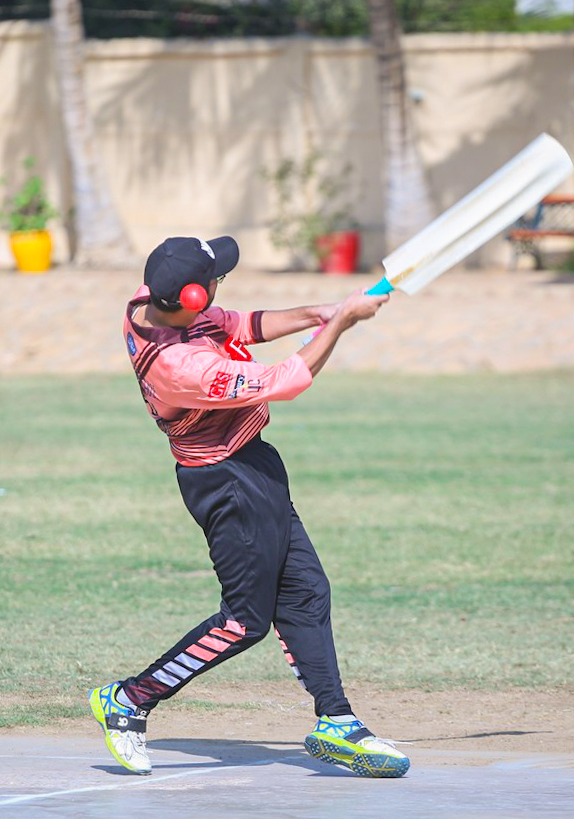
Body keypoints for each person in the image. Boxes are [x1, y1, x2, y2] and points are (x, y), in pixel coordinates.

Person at [90, 235, 408, 778]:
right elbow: (284, 382)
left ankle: (336, 721)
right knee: (243, 622)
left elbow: (240, 325)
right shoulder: (180, 367)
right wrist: (339, 324)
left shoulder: (151, 302)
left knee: (307, 591)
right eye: (214, 280)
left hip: (252, 465)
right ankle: (128, 699)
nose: (219, 286)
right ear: (190, 297)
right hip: (226, 483)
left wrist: (321, 311)